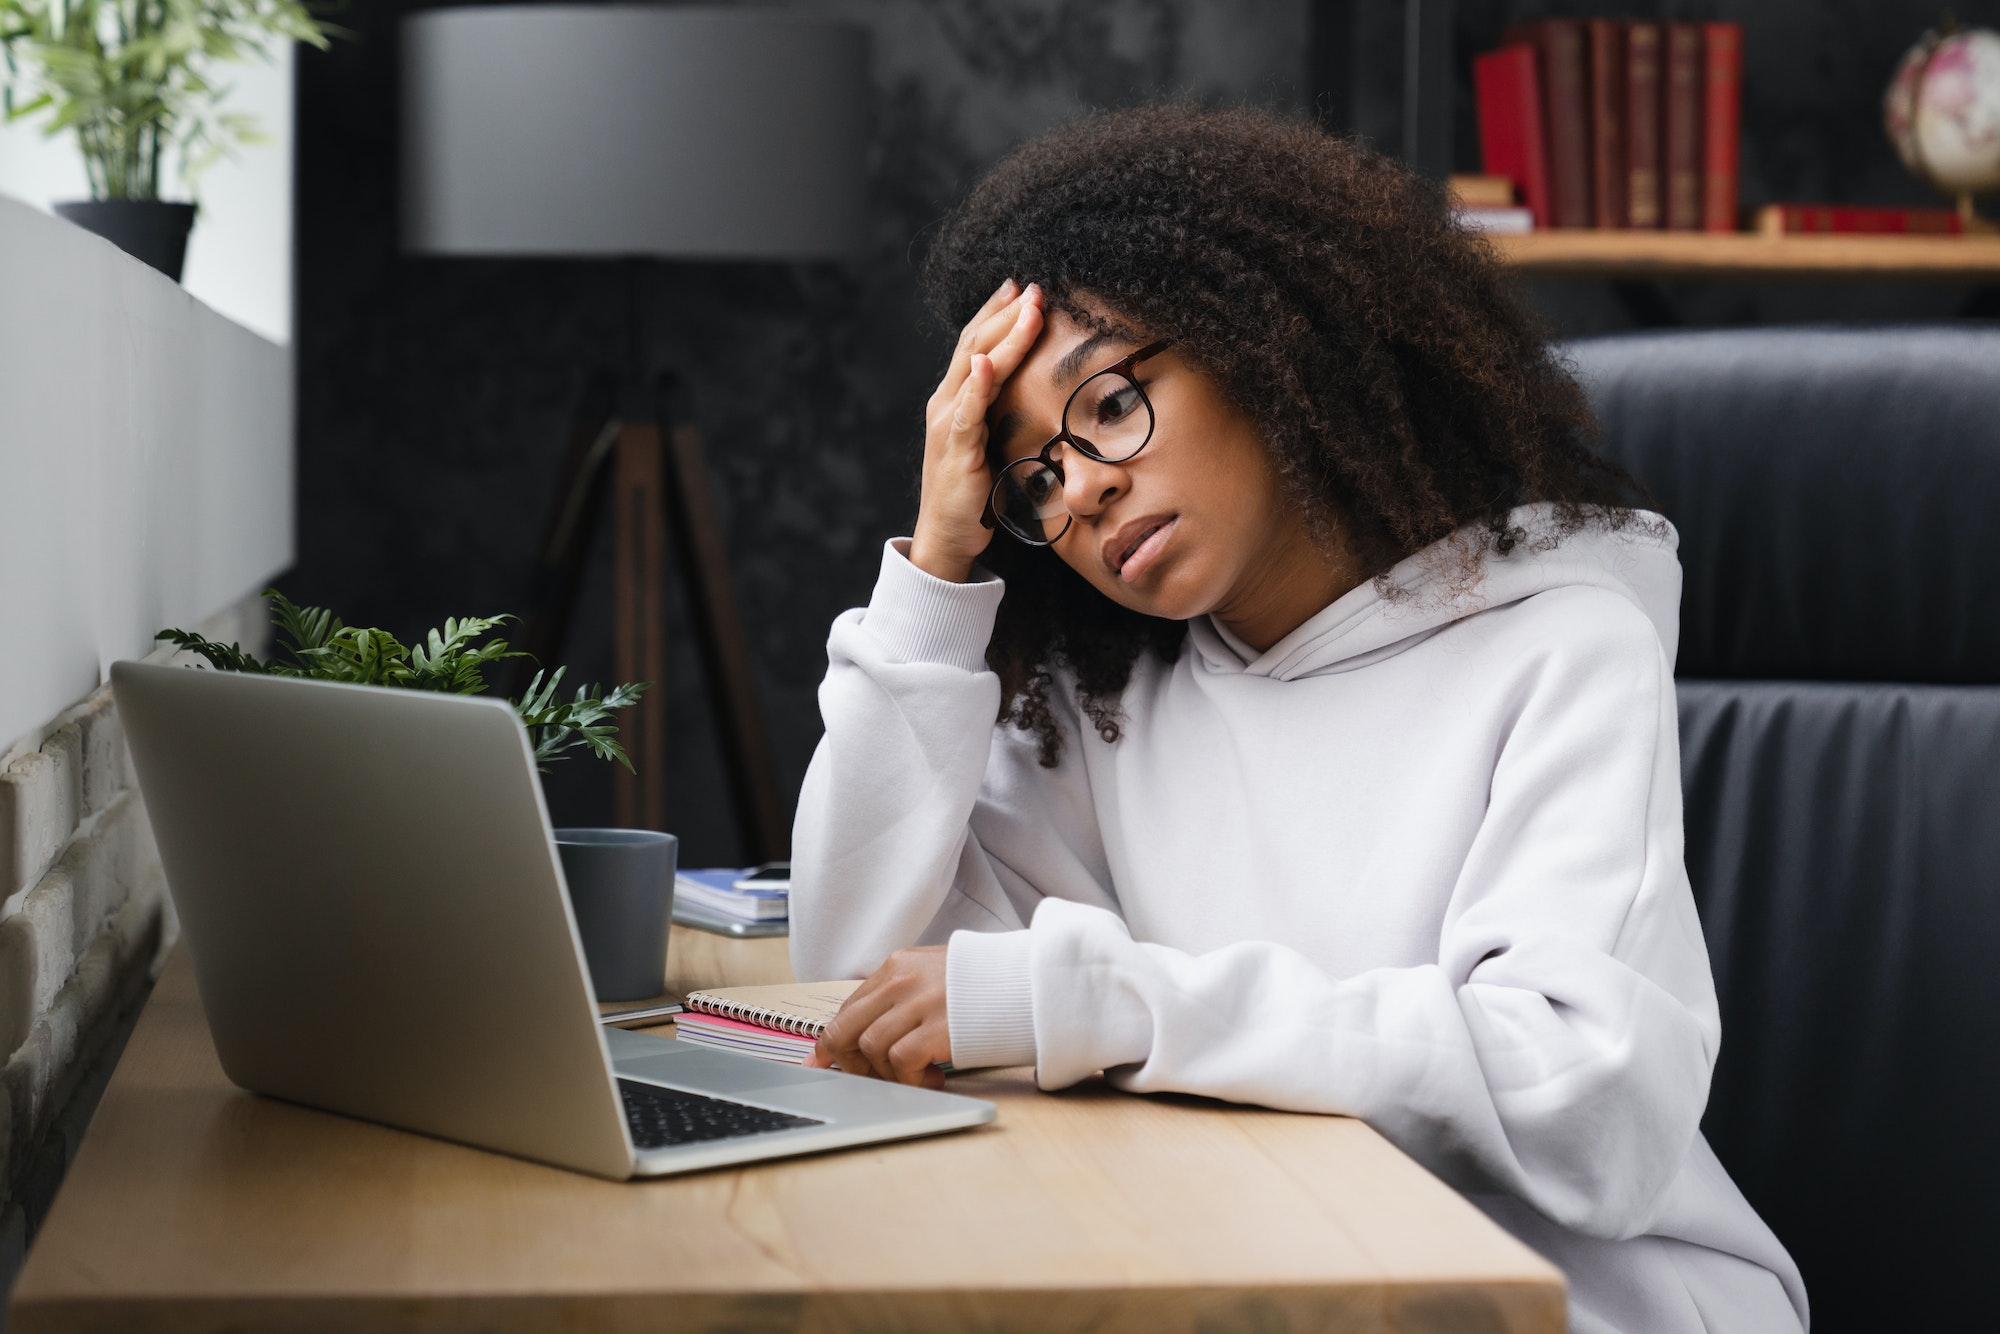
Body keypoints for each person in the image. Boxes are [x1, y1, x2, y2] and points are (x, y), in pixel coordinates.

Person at [789, 105, 1807, 1334]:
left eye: (1109, 402)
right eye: (1033, 478)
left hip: (1578, 1299)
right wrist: (935, 577)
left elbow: (1586, 1097)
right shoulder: (1109, 705)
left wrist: (1106, 1002)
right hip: (1265, 1273)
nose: (1087, 484)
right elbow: (852, 965)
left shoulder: (1559, 646)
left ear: (1260, 340)